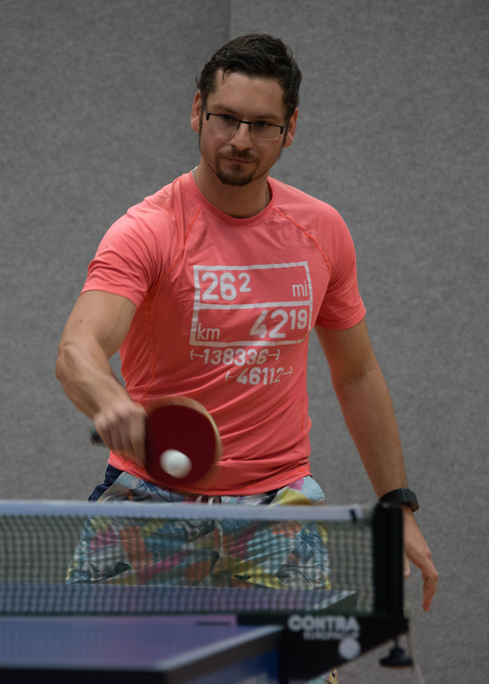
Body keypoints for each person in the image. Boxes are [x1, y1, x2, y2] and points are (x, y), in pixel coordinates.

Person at [56, 34, 437, 615]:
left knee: (296, 660)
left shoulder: (322, 230)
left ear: (290, 127)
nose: (239, 139)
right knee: (97, 657)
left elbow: (357, 373)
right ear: (197, 111)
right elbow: (78, 347)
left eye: (261, 125)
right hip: (153, 500)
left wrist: (396, 503)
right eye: (226, 118)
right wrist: (110, 400)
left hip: (277, 508)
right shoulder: (147, 230)